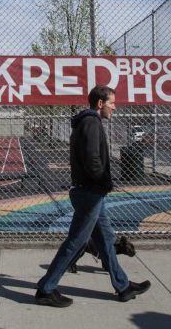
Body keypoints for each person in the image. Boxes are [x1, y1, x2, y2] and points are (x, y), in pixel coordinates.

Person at [35, 85, 151, 307]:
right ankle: (45, 289)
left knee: (106, 239)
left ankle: (123, 286)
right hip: (90, 192)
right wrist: (104, 182)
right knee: (76, 242)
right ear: (100, 103)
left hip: (91, 192)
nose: (114, 107)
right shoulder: (91, 122)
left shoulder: (88, 122)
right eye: (111, 103)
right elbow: (92, 158)